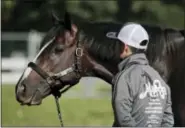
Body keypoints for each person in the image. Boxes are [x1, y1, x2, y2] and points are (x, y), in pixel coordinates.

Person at [111, 23, 174, 127]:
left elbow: (123, 119)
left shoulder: (124, 78)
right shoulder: (160, 80)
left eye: (118, 44)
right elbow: (168, 120)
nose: (116, 48)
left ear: (125, 47)